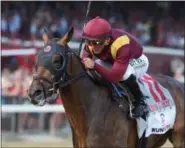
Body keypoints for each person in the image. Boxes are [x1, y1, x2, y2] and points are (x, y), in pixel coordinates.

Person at [80, 16, 149, 118]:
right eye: (89, 42)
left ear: (107, 40)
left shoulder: (121, 43)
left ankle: (139, 102)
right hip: (113, 61)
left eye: (97, 43)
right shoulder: (92, 42)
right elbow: (83, 62)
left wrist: (94, 65)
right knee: (92, 68)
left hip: (136, 60)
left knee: (124, 74)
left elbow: (116, 76)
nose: (93, 46)